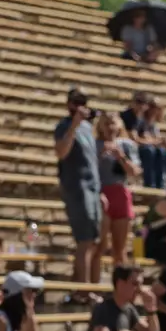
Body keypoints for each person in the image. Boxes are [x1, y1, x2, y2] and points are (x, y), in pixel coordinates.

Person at [53, 87, 103, 290]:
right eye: (75, 101)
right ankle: (83, 289)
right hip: (77, 187)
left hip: (93, 188)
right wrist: (73, 126)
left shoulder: (88, 128)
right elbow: (61, 153)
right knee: (84, 240)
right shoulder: (64, 126)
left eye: (83, 101)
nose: (79, 106)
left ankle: (83, 285)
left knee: (93, 240)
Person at [83, 264, 161, 331]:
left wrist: (151, 311)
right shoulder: (104, 309)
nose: (139, 290)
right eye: (135, 284)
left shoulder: (128, 309)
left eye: (140, 285)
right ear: (120, 284)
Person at [95, 110, 139, 268]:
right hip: (101, 193)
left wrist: (121, 157)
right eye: (106, 124)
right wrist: (100, 154)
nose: (110, 127)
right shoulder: (94, 145)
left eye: (113, 123)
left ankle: (120, 284)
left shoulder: (127, 145)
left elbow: (134, 172)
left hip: (120, 193)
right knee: (100, 246)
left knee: (120, 249)